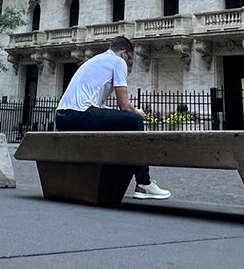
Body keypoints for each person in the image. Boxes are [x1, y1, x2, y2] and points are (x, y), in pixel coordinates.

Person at [54, 36, 170, 200]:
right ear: (124, 53)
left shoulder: (96, 60)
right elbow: (124, 105)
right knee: (134, 121)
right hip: (79, 114)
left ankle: (128, 178)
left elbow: (97, 104)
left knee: (123, 122)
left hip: (63, 116)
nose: (128, 63)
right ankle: (144, 183)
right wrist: (137, 112)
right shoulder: (118, 61)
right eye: (129, 58)